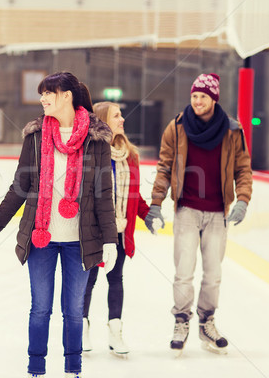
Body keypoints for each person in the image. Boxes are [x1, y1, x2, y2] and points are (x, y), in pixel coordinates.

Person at [0, 72, 118, 378]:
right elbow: (19, 186)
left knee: (74, 311)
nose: (43, 98)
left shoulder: (96, 138)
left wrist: (110, 239)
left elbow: (104, 193)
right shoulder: (35, 136)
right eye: (42, 94)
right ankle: (36, 369)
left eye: (49, 92)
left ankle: (72, 369)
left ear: (67, 96)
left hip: (81, 239)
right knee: (40, 308)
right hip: (42, 238)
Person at [147, 73, 252, 355]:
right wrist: (156, 202)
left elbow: (243, 169)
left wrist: (242, 200)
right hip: (187, 210)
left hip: (218, 212)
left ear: (213, 99)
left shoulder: (231, 130)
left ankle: (207, 322)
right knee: (183, 272)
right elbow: (164, 166)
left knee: (213, 274)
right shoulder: (177, 127)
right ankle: (181, 321)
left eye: (203, 96)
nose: (197, 101)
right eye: (194, 96)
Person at [81, 101, 150, 355]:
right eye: (117, 116)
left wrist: (148, 214)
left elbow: (134, 195)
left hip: (120, 229)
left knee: (116, 279)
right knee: (88, 280)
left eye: (121, 115)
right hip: (95, 230)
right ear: (102, 121)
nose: (122, 120)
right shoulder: (89, 152)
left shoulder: (130, 155)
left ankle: (115, 332)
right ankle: (82, 329)